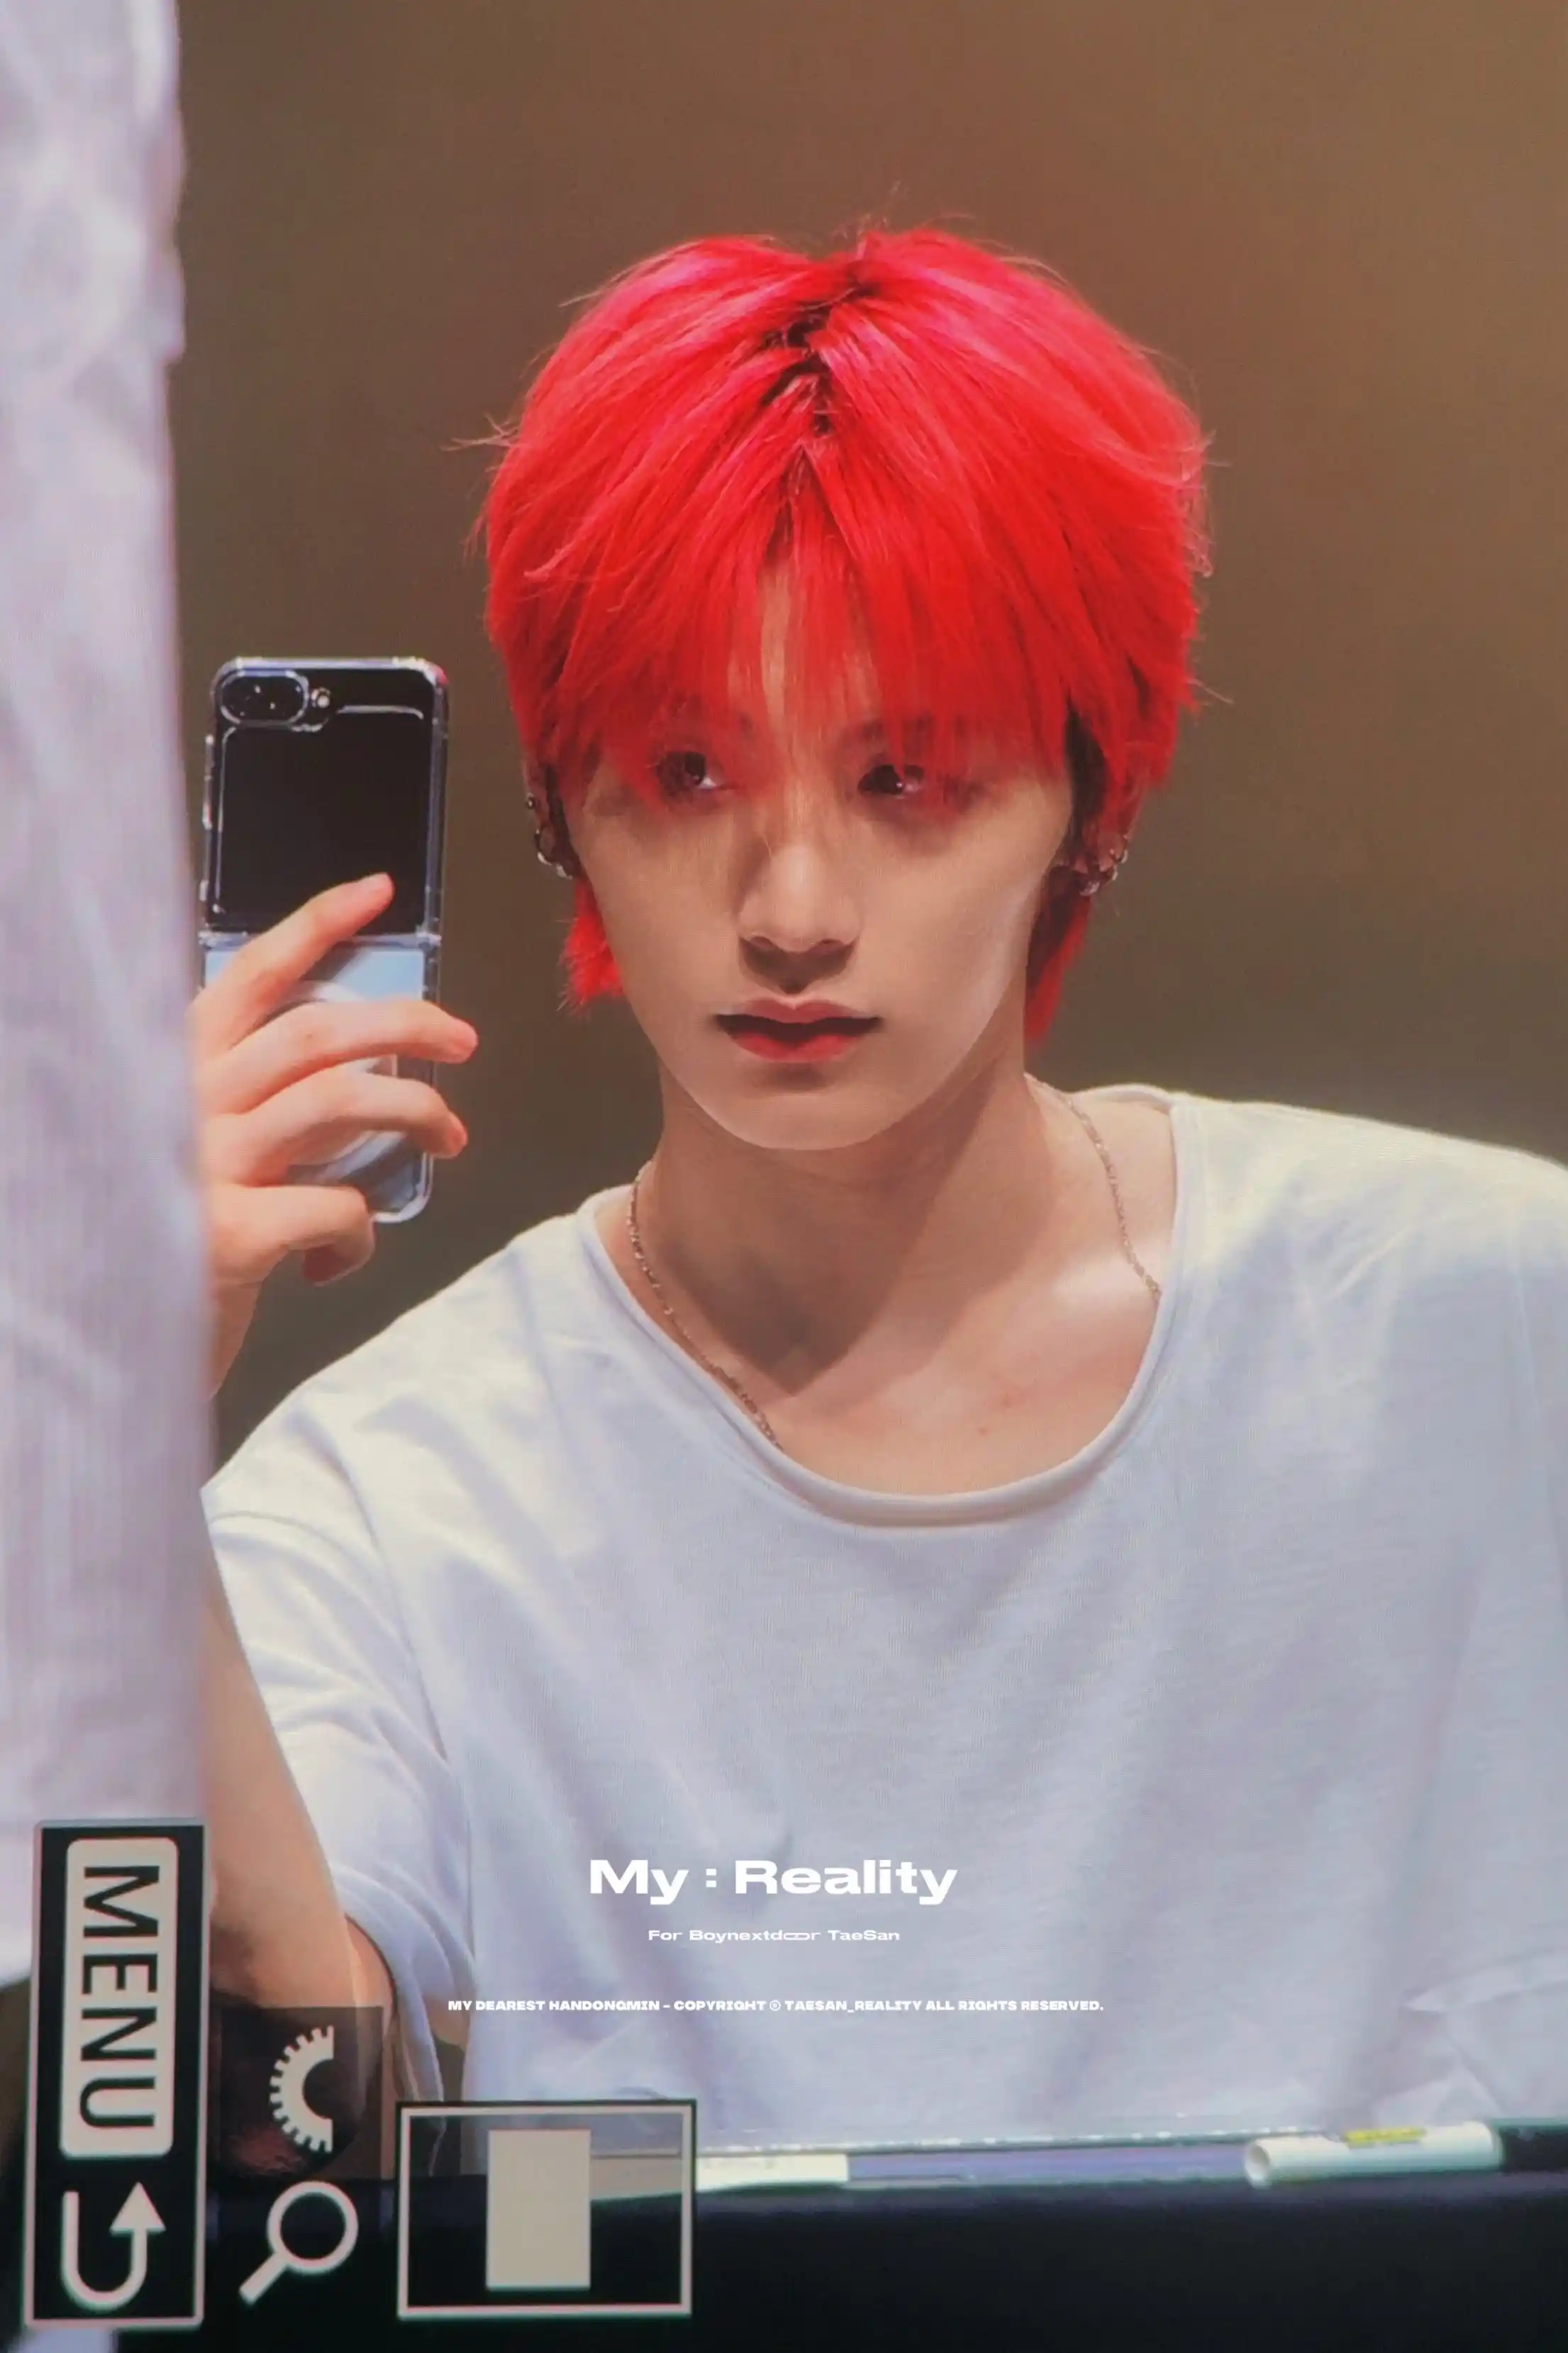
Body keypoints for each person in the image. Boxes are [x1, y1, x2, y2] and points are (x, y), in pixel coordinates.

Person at [197, 227, 1568, 2151]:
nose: (792, 911)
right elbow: (284, 2144)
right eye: (687, 770)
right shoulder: (396, 1500)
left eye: (908, 779)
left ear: (1089, 804)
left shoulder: (1490, 1333)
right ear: (560, 808)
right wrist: (108, 1444)